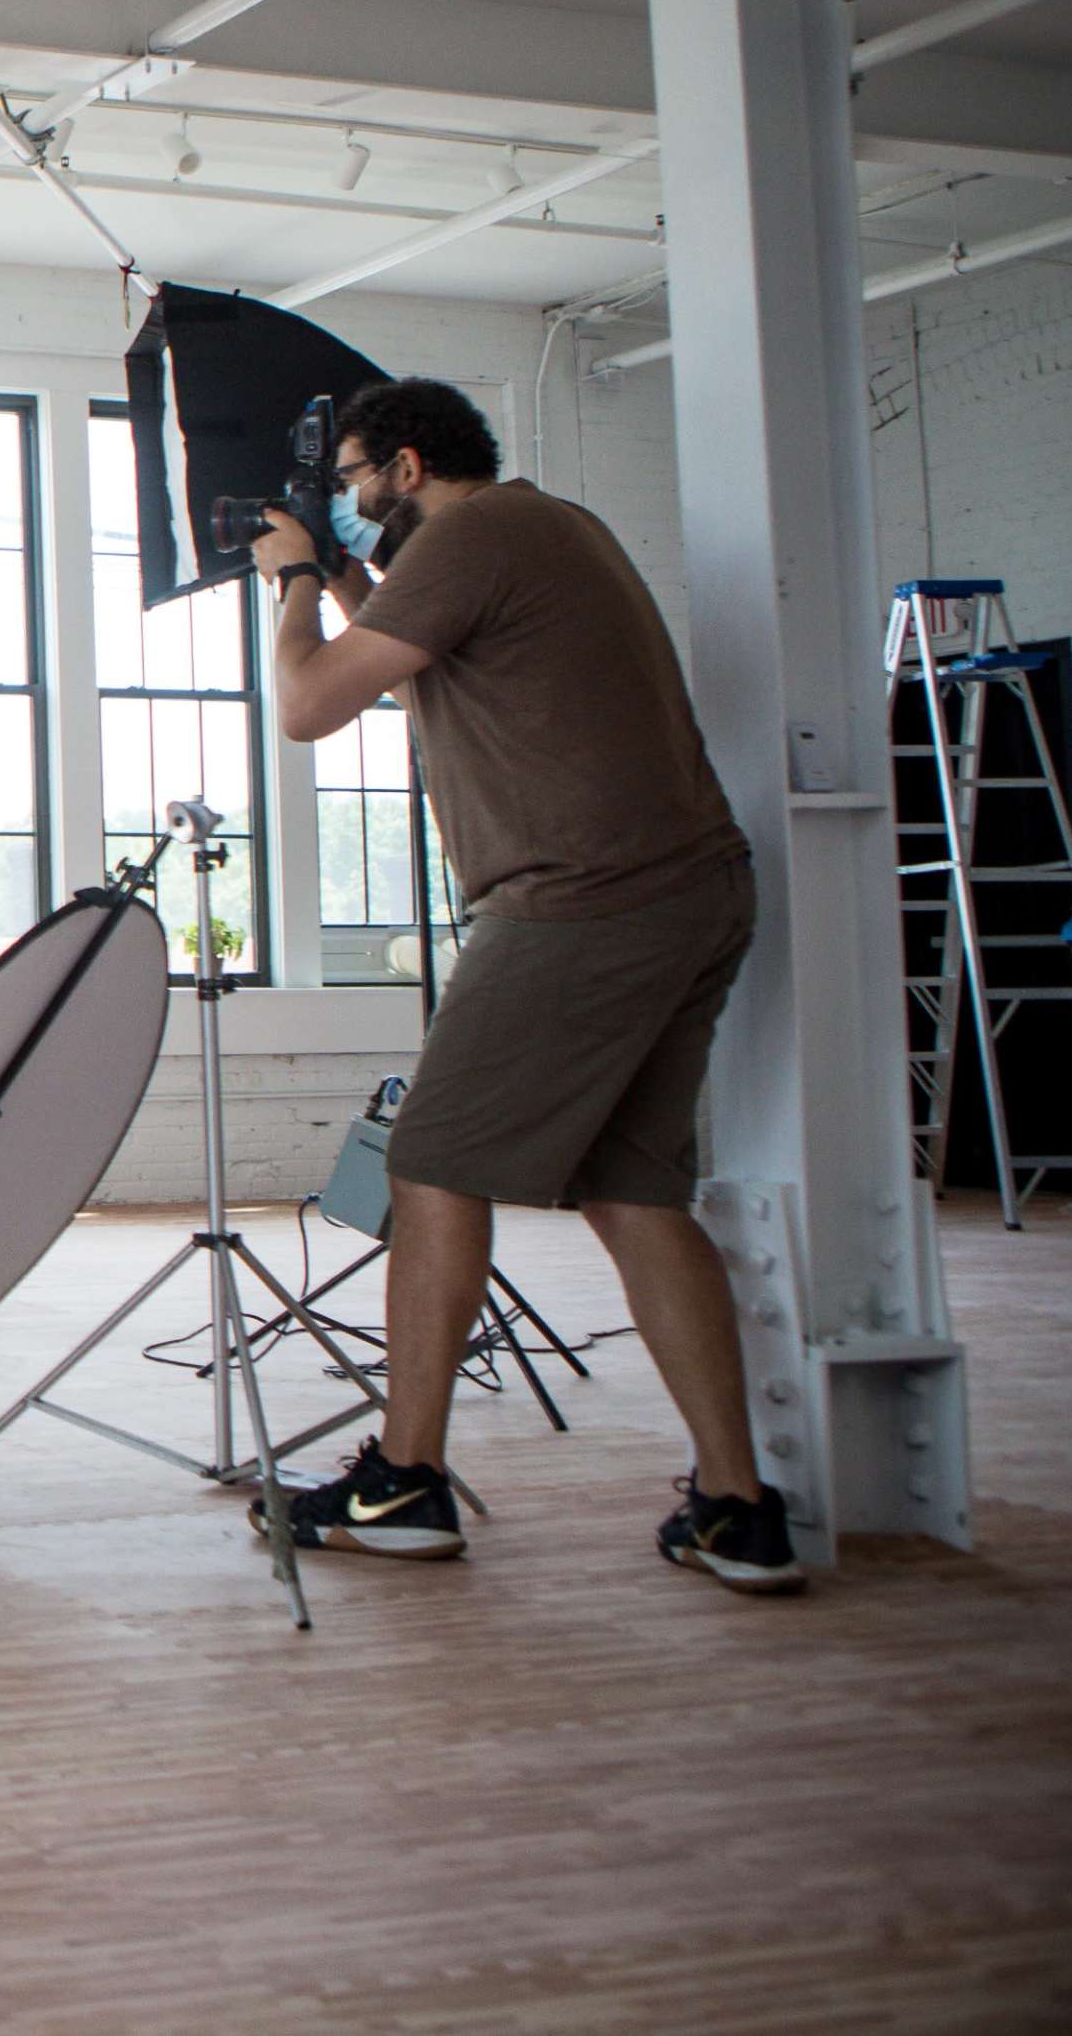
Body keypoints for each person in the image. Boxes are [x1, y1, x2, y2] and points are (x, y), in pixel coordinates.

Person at [247, 377, 796, 1594]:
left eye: (347, 487)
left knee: (431, 1161)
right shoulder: (542, 525)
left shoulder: (478, 533)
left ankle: (404, 1481)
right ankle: (736, 1506)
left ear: (401, 466)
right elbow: (410, 665)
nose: (341, 508)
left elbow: (308, 707)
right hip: (690, 890)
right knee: (635, 1193)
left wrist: (293, 582)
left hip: (582, 902)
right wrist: (343, 583)